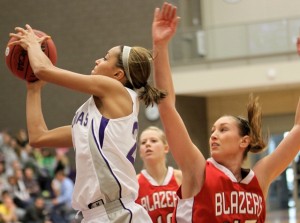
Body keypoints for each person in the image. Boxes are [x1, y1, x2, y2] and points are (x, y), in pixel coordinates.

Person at [152, 2, 300, 222]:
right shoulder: (198, 170)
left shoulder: (259, 177)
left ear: (244, 141)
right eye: (213, 129)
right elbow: (166, 107)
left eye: (223, 129)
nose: (213, 135)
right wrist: (160, 47)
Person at [9, 22, 166, 222]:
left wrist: (32, 44)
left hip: (115, 213)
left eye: (106, 57)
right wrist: (33, 89)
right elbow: (39, 137)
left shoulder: (116, 90)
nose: (98, 59)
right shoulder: (93, 118)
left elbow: (43, 69)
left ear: (118, 75)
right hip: (96, 215)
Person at [136, 126, 182, 223]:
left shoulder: (180, 177)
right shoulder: (134, 183)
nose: (148, 144)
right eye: (143, 142)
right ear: (140, 152)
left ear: (166, 148)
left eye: (153, 140)